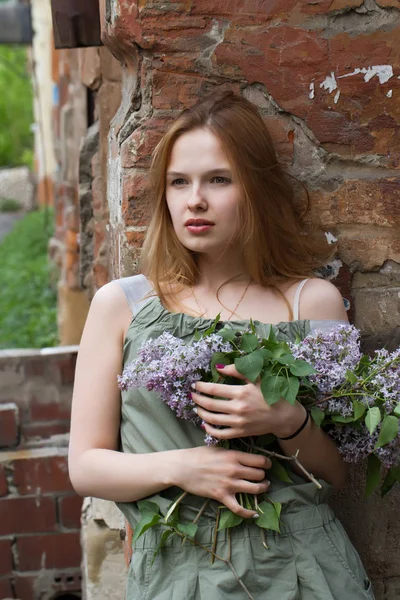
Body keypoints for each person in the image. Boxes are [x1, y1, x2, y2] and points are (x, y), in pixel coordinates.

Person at [68, 91, 374, 599]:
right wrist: (185, 467)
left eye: (219, 179)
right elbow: (86, 466)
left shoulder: (312, 303)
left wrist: (285, 420)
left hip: (302, 571)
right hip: (177, 572)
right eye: (179, 182)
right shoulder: (120, 306)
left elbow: (336, 473)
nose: (196, 201)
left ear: (254, 188)